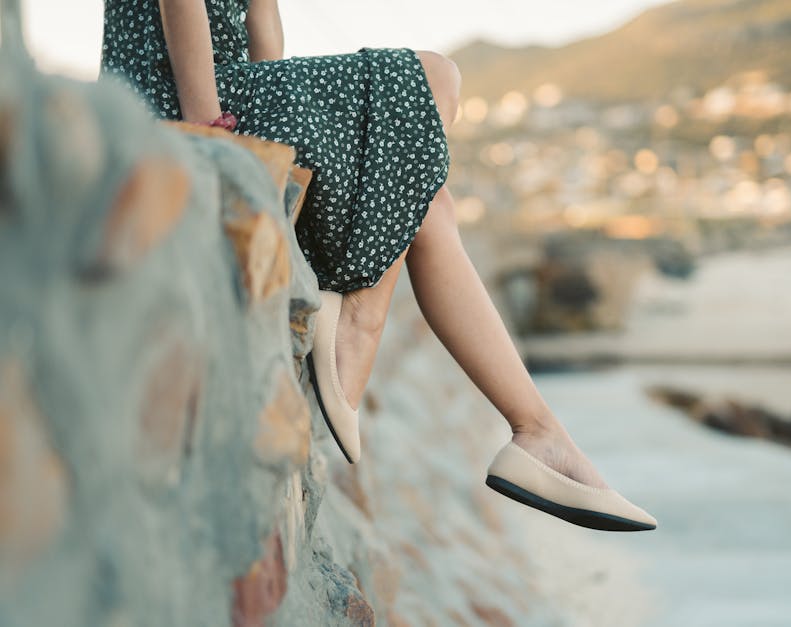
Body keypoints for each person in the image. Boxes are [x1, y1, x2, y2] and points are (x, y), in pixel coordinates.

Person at [99, 0, 656, 532]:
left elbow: (263, 19)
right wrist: (208, 131)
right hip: (166, 98)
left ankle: (537, 433)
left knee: (429, 203)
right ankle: (363, 321)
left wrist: (291, 141)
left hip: (232, 94)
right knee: (434, 77)